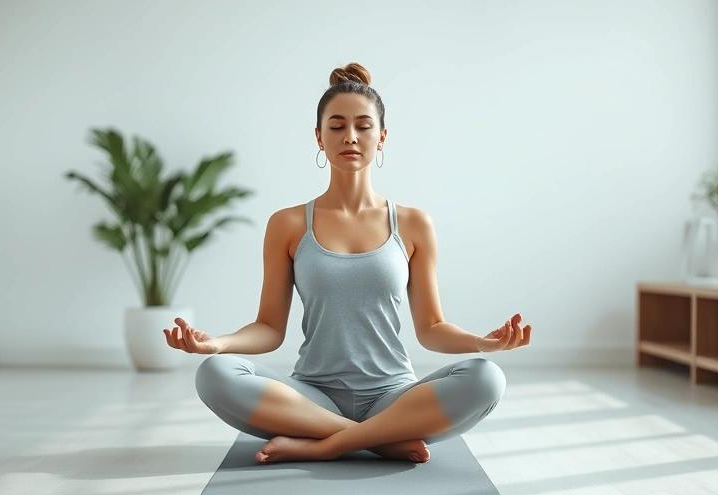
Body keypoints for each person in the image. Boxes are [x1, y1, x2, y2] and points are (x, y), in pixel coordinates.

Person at [164, 62, 531, 465]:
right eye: (336, 126)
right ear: (319, 138)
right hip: (311, 397)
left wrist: (483, 342)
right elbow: (269, 328)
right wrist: (217, 344)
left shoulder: (412, 224)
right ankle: (379, 441)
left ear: (382, 136)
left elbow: (431, 329)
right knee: (216, 374)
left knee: (487, 377)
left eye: (363, 125)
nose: (350, 137)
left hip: (393, 396)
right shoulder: (287, 224)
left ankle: (326, 444)